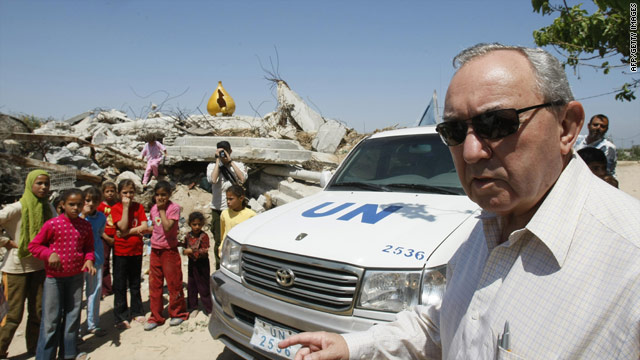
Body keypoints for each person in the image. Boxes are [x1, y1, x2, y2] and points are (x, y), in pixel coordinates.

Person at [280, 43, 640, 359]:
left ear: (567, 127)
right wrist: (353, 348)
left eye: (497, 123)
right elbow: (446, 326)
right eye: (453, 131)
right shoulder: (485, 227)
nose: (469, 152)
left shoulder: (628, 264)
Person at [28, 188, 95, 360]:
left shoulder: (85, 225)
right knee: (50, 321)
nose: (75, 208)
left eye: (79, 204)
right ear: (62, 205)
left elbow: (88, 247)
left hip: (75, 278)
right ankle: (45, 356)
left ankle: (68, 353)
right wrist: (48, 254)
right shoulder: (52, 225)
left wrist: (89, 259)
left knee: (72, 317)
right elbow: (34, 246)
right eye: (71, 204)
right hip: (54, 279)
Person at [0, 170, 53, 358]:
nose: (44, 187)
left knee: (38, 313)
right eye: (39, 183)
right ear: (30, 184)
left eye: (46, 183)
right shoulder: (17, 208)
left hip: (39, 267)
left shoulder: (48, 208)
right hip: (16, 269)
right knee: (12, 315)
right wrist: (6, 242)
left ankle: (34, 348)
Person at [143, 181, 188, 331]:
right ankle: (156, 316)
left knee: (173, 282)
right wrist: (143, 230)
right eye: (157, 195)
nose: (160, 198)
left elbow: (168, 227)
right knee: (155, 284)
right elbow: (157, 227)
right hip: (155, 250)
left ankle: (178, 313)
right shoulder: (154, 208)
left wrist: (162, 210)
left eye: (163, 195)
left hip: (169, 250)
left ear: (169, 195)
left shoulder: (172, 208)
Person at [110, 179, 148, 329]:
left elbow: (144, 226)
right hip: (121, 251)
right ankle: (120, 315)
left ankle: (137, 311)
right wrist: (125, 208)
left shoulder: (139, 207)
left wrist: (127, 232)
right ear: (119, 194)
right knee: (120, 284)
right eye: (125, 193)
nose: (128, 195)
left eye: (131, 192)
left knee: (135, 283)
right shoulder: (116, 208)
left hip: (136, 250)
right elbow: (122, 224)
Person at [205, 141, 247, 269]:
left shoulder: (238, 165)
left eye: (225, 151)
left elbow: (243, 179)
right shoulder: (212, 166)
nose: (223, 154)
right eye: (220, 151)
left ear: (230, 151)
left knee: (237, 240)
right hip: (218, 208)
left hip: (236, 209)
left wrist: (230, 162)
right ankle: (220, 267)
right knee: (219, 241)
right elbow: (212, 180)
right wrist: (218, 161)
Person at [79, 187, 107, 337]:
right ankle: (75, 329)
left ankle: (93, 324)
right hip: (78, 260)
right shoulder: (77, 216)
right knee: (77, 296)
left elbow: (100, 233)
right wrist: (83, 214)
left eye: (94, 201)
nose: (90, 204)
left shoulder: (101, 217)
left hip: (96, 258)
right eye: (87, 200)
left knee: (94, 292)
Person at [182, 211, 213, 316]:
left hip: (202, 264)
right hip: (192, 263)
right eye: (194, 224)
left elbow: (205, 250)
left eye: (199, 224)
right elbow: (184, 247)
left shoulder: (204, 236)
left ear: (202, 224)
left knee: (204, 286)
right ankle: (193, 307)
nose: (197, 227)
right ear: (190, 224)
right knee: (192, 285)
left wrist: (192, 251)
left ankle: (209, 309)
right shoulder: (188, 236)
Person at [219, 185, 256, 257]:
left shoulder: (251, 215)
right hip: (226, 251)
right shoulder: (224, 213)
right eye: (227, 199)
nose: (228, 202)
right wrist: (221, 246)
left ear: (241, 198)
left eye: (231, 199)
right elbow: (223, 233)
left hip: (241, 253)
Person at [97, 181, 117, 298]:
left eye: (112, 191)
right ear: (103, 193)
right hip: (104, 237)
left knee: (117, 262)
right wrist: (105, 236)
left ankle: (117, 285)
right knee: (104, 262)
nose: (110, 194)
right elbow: (98, 224)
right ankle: (106, 288)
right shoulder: (100, 207)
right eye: (107, 191)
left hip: (116, 237)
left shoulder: (118, 205)